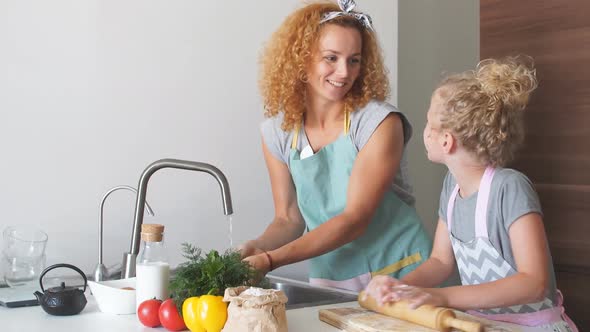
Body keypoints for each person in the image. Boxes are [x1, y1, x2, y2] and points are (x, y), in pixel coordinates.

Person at [362, 56, 578, 331]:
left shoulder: (509, 188)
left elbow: (534, 283)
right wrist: (400, 286)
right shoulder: (451, 187)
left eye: (429, 123)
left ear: (446, 140)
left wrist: (441, 296)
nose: (424, 131)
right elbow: (440, 261)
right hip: (483, 324)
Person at [238, 0, 432, 292]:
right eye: (331, 58)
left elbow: (355, 219)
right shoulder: (277, 134)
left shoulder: (378, 123)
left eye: (354, 60)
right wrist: (256, 246)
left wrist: (270, 260)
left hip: (401, 270)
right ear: (302, 58)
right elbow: (288, 218)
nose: (344, 72)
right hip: (333, 275)